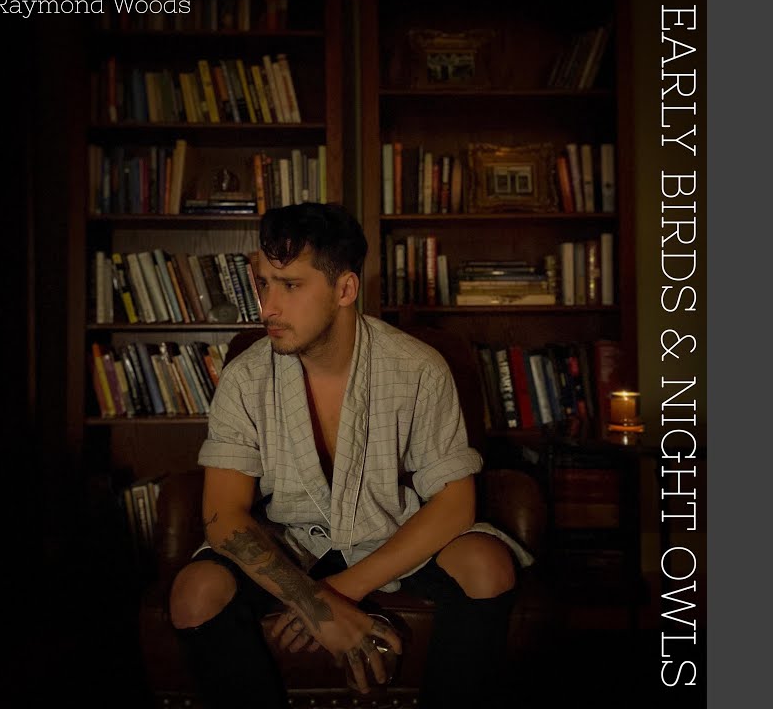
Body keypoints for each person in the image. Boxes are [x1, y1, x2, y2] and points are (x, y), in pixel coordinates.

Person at [169, 203, 532, 709]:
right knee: (194, 592)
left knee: (488, 565)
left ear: (344, 289)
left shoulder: (418, 369)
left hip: (389, 532)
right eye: (263, 284)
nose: (267, 307)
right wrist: (311, 601)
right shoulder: (244, 379)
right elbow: (223, 516)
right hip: (290, 541)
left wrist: (338, 593)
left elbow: (454, 504)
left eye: (290, 285)